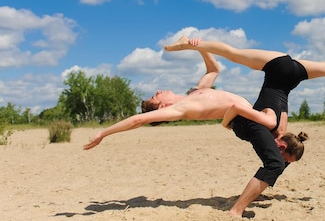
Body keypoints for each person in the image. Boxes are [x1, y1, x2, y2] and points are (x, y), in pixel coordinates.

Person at [164, 35, 325, 217]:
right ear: (281, 144)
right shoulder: (277, 127)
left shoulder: (282, 123)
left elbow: (278, 146)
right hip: (281, 68)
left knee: (232, 51)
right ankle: (188, 44)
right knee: (232, 52)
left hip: (291, 68)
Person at [82, 48, 292, 150]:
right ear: (162, 106)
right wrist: (104, 132)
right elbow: (137, 120)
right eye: (155, 96)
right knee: (280, 133)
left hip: (251, 113)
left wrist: (199, 47)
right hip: (247, 122)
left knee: (283, 133)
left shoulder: (194, 93)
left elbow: (213, 70)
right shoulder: (179, 109)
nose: (157, 90)